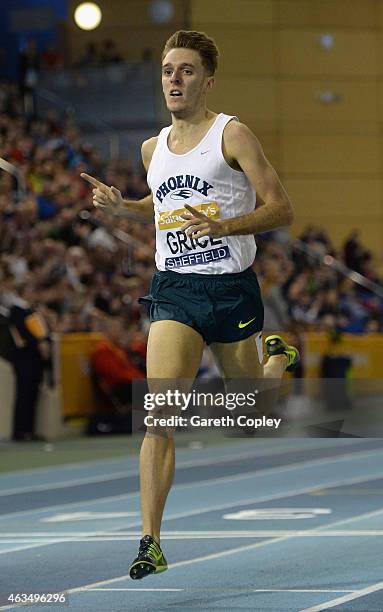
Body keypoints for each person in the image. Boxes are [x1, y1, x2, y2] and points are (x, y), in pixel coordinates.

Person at [81, 29, 299, 580]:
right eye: (166, 71)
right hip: (175, 288)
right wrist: (120, 207)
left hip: (230, 290)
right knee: (160, 415)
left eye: (184, 71)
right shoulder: (152, 148)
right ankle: (150, 541)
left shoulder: (233, 135)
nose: (173, 80)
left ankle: (277, 359)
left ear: (207, 80)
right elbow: (158, 207)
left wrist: (224, 224)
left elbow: (281, 209)